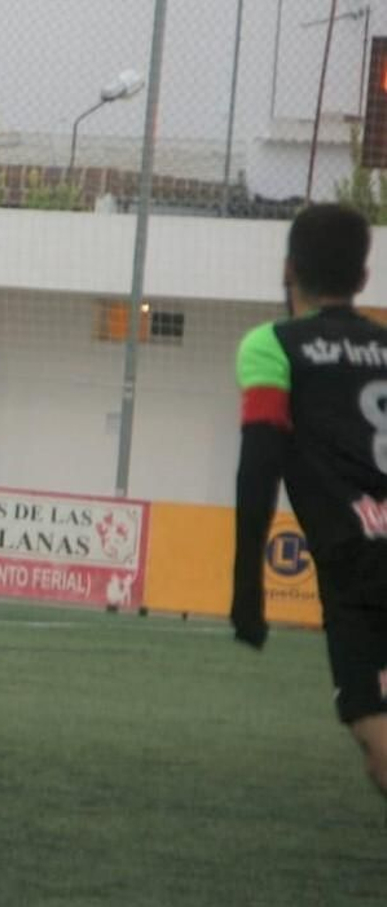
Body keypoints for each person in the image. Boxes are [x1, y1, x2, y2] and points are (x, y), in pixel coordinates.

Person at [231, 203, 387, 802]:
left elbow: (259, 468)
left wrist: (248, 591)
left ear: (289, 269)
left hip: (357, 564)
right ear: (364, 277)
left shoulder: (273, 346)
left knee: (374, 732)